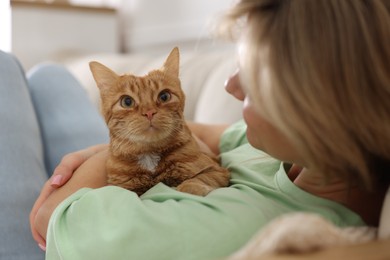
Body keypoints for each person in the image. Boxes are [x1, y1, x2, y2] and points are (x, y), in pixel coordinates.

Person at [1, 0, 386, 259]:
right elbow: (203, 132)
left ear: (313, 100)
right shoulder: (279, 152)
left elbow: (48, 217)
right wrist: (120, 145)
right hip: (109, 175)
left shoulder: (241, 225)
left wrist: (116, 146)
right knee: (49, 75)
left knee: (5, 70)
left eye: (250, 75)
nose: (229, 87)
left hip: (51, 240)